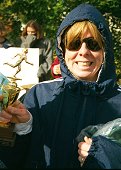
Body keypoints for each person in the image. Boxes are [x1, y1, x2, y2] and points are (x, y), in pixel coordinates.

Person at [0, 3, 121, 169]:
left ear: (105, 50)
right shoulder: (39, 96)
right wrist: (22, 128)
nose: (83, 51)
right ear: (62, 51)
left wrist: (109, 155)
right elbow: (13, 161)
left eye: (93, 44)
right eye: (74, 44)